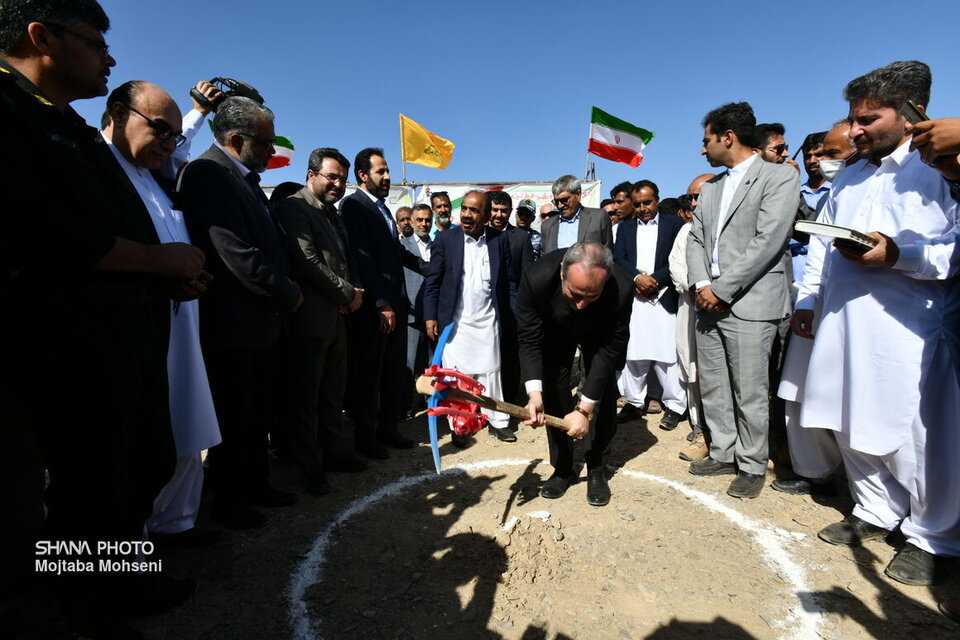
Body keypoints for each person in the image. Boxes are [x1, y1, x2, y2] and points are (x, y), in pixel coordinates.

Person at [1, 1, 203, 630]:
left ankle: (119, 588)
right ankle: (90, 606)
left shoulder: (69, 126)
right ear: (42, 37)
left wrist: (170, 274)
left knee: (125, 473)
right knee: (84, 485)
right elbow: (37, 229)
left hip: (121, 338)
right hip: (62, 345)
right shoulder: (7, 113)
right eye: (96, 42)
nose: (108, 58)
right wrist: (153, 260)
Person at [795, 61, 960, 587]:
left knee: (915, 431)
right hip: (842, 316)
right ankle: (873, 509)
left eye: (868, 119)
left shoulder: (942, 167)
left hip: (909, 326)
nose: (854, 130)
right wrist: (809, 299)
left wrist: (898, 256)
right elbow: (825, 243)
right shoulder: (851, 172)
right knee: (846, 414)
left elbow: (955, 251)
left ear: (912, 113)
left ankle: (936, 536)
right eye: (853, 119)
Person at [100, 80, 222, 546]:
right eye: (160, 131)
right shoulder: (100, 169)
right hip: (127, 336)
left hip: (180, 327)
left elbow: (176, 141)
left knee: (186, 432)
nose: (170, 145)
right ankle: (121, 563)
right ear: (116, 114)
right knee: (131, 453)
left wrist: (195, 114)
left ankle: (175, 524)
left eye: (176, 136)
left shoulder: (154, 173)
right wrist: (156, 267)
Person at [179, 96, 303, 529]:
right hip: (233, 325)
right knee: (235, 416)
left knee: (256, 415)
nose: (273, 151)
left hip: (261, 324)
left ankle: (256, 485)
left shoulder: (245, 178)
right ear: (236, 139)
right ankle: (230, 501)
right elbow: (235, 252)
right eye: (266, 143)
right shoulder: (209, 173)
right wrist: (287, 293)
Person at [686, 101, 799, 499]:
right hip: (707, 301)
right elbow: (696, 240)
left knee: (749, 389)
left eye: (707, 141)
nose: (703, 150)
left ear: (727, 137)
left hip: (750, 303)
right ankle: (723, 451)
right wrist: (703, 283)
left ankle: (752, 464)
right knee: (714, 384)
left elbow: (768, 242)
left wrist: (722, 289)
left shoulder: (779, 178)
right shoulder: (712, 188)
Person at [274, 147, 367, 496]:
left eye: (342, 179)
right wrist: (347, 293)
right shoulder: (293, 207)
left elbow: (342, 258)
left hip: (338, 317)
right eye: (331, 176)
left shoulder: (332, 212)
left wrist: (353, 291)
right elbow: (306, 260)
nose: (337, 183)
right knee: (306, 399)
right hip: (311, 319)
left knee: (332, 394)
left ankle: (336, 454)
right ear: (311, 175)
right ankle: (310, 468)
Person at [773, 119, 856, 497]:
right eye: (816, 155)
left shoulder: (856, 186)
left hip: (854, 302)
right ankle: (814, 469)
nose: (818, 161)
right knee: (796, 387)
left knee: (847, 393)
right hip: (807, 297)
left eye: (829, 154)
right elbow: (815, 241)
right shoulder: (827, 192)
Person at [519, 243, 634, 507]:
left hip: (600, 333)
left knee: (601, 393)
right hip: (554, 329)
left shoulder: (622, 288)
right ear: (562, 273)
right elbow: (529, 340)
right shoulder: (536, 278)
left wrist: (583, 411)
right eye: (575, 294)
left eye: (590, 296)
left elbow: (607, 353)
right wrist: (534, 394)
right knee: (553, 386)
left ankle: (597, 467)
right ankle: (562, 468)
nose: (581, 305)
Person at [339, 148, 423, 459]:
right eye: (381, 172)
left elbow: (394, 255)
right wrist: (382, 303)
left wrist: (429, 266)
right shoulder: (354, 207)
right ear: (363, 175)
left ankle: (388, 429)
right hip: (376, 310)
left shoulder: (382, 209)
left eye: (387, 171)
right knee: (368, 376)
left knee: (392, 372)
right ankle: (366, 436)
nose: (387, 177)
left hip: (396, 308)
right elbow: (364, 261)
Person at [424, 191, 516, 444]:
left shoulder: (499, 240)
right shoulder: (445, 239)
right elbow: (433, 281)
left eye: (473, 211)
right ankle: (460, 425)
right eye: (464, 208)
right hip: (457, 322)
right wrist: (430, 316)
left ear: (487, 216)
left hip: (488, 319)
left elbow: (508, 280)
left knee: (491, 372)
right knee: (459, 376)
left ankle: (498, 421)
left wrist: (513, 313)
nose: (466, 214)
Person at [614, 180, 686, 429]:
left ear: (657, 200)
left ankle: (675, 406)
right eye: (638, 204)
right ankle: (634, 402)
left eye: (647, 202)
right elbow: (618, 258)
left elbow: (679, 257)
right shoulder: (625, 227)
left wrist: (655, 280)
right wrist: (637, 278)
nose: (643, 208)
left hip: (664, 297)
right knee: (635, 354)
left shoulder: (674, 224)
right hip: (636, 298)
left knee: (668, 356)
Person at [669, 189, 707, 460]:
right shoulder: (686, 231)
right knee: (692, 364)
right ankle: (700, 425)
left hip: (724, 305)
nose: (694, 203)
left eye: (699, 196)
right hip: (692, 304)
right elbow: (677, 266)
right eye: (692, 198)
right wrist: (697, 289)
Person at [401, 203, 433, 416]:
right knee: (408, 363)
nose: (423, 224)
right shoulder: (401, 246)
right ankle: (404, 406)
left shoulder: (439, 245)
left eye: (427, 220)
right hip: (410, 313)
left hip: (432, 315)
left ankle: (430, 404)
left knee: (432, 365)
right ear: (412, 222)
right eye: (419, 219)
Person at [541, 174, 613, 253]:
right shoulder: (547, 226)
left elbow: (608, 253)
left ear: (578, 195)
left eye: (564, 200)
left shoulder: (598, 218)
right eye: (556, 201)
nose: (560, 205)